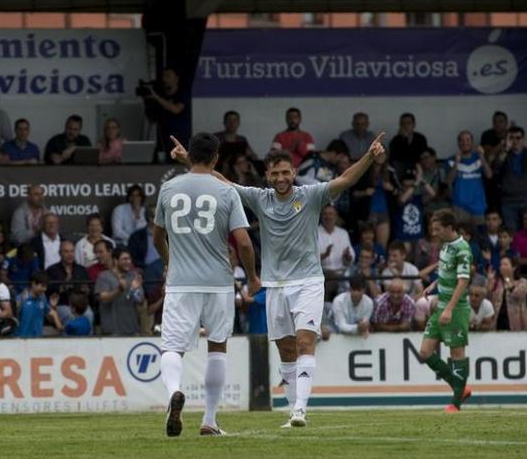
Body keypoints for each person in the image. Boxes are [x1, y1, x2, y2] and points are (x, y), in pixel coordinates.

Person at [172, 128, 385, 428]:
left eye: (286, 172)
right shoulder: (260, 199)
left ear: (294, 172)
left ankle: (300, 410)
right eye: (276, 174)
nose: (282, 178)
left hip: (309, 282)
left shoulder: (310, 196)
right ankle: (292, 410)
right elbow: (221, 182)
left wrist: (369, 157)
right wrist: (188, 162)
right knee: (285, 349)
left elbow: (346, 180)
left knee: (303, 343)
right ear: (268, 175)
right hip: (275, 286)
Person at [152, 132, 258, 437]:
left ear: (191, 155)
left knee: (172, 346)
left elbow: (158, 236)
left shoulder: (169, 188)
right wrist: (251, 277)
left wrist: (171, 261)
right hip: (219, 283)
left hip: (181, 281)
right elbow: (244, 244)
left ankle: (174, 390)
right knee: (217, 348)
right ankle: (209, 420)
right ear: (216, 158)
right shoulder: (226, 191)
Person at [416, 209, 473, 412]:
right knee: (424, 352)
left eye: (438, 229)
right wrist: (434, 285)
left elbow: (463, 280)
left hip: (455, 309)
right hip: (441, 307)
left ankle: (456, 404)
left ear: (450, 227)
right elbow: (447, 272)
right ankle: (461, 388)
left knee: (456, 353)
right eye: (433, 228)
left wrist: (449, 308)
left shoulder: (463, 249)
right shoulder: (445, 247)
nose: (434, 232)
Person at [94, 248, 145, 337]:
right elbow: (103, 298)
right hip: (112, 330)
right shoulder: (104, 276)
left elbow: (140, 301)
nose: (129, 262)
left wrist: (133, 290)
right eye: (125, 259)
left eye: (129, 259)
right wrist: (119, 290)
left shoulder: (134, 276)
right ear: (115, 261)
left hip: (132, 329)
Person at [446, 131, 492, 227]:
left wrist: (482, 157)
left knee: (478, 237)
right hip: (459, 205)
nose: (464, 143)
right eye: (461, 140)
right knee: (460, 237)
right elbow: (448, 181)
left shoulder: (479, 158)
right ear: (458, 143)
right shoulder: (451, 160)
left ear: (472, 142)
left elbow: (489, 175)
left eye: (467, 140)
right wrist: (457, 162)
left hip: (478, 204)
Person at [144, 68, 189, 159]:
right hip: (162, 138)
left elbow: (176, 109)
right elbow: (151, 119)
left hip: (180, 138)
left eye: (168, 76)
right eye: (163, 76)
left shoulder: (182, 94)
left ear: (176, 78)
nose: (164, 79)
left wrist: (156, 97)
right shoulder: (161, 95)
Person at [45, 241, 91, 324]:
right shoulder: (52, 270)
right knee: (70, 316)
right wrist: (63, 285)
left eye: (72, 251)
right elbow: (48, 291)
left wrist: (87, 290)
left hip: (80, 304)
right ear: (60, 253)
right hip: (62, 304)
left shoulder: (82, 270)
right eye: (66, 252)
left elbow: (89, 289)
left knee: (89, 315)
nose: (70, 254)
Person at [496, 126, 527, 232]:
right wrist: (506, 149)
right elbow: (496, 167)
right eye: (511, 138)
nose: (515, 141)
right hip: (508, 202)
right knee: (512, 234)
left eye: (518, 138)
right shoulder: (504, 154)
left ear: (523, 139)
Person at [318, 204, 354, 301]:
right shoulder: (315, 233)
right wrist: (324, 255)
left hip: (341, 272)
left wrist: (347, 256)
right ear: (321, 216)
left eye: (331, 214)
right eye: (325, 214)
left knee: (352, 275)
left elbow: (351, 258)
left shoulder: (343, 233)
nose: (328, 217)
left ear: (336, 216)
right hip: (323, 273)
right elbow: (309, 259)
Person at [486, 255, 527, 331]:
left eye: (505, 264)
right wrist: (489, 284)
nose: (502, 267)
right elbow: (489, 300)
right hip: (498, 321)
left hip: (516, 322)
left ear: (513, 267)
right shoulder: (497, 283)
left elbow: (518, 294)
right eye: (501, 265)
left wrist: (507, 279)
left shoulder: (522, 282)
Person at [15, 272, 62, 338]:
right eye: (42, 286)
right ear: (33, 284)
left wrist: (53, 306)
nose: (45, 289)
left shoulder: (43, 298)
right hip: (21, 339)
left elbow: (50, 317)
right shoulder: (20, 299)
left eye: (46, 287)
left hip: (38, 339)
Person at [388, 112, 428, 176]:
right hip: (400, 167)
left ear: (414, 124)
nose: (405, 126)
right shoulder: (396, 140)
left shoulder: (420, 138)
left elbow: (421, 155)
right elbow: (397, 157)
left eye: (408, 123)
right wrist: (405, 139)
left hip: (417, 166)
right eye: (403, 123)